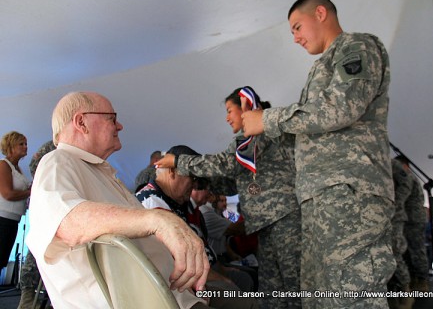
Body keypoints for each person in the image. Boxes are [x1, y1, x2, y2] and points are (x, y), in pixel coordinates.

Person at [241, 0, 395, 308]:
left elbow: (341, 107)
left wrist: (268, 118)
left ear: (320, 13)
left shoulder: (356, 47)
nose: (295, 38)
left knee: (353, 297)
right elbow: (311, 130)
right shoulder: (320, 68)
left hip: (350, 198)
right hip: (320, 201)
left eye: (298, 27)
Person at [26, 91, 209, 309]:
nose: (120, 126)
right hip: (146, 303)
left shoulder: (98, 172)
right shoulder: (57, 162)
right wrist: (159, 220)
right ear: (81, 122)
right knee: (246, 297)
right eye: (111, 118)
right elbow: (67, 222)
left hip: (174, 296)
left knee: (241, 296)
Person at [156, 87, 301, 309]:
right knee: (272, 288)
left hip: (284, 220)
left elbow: (227, 164)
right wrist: (200, 181)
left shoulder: (259, 133)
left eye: (229, 110)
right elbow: (233, 182)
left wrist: (180, 162)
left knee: (294, 285)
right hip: (266, 225)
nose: (226, 118)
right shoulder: (247, 142)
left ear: (245, 107)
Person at [136, 145, 257, 308]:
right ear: (172, 172)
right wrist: (222, 279)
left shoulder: (173, 202)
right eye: (192, 178)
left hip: (188, 282)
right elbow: (180, 261)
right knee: (242, 299)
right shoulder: (152, 202)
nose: (194, 185)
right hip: (174, 288)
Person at [18, 140, 56, 309]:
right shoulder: (53, 145)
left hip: (60, 205)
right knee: (37, 248)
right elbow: (35, 166)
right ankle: (28, 296)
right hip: (47, 202)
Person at [394, 155, 429, 292]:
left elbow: (403, 195)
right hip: (409, 217)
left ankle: (422, 280)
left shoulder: (409, 178)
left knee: (416, 249)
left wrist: (395, 205)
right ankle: (413, 279)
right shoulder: (408, 178)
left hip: (414, 218)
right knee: (407, 250)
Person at [0, 131, 30, 277]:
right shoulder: (3, 165)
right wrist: (31, 191)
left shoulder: (18, 169)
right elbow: (8, 194)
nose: (25, 147)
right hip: (2, 220)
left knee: (2, 260)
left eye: (26, 144)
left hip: (12, 220)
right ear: (11, 146)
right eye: (21, 144)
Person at [388, 158, 415, 309]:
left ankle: (406, 292)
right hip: (375, 215)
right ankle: (391, 295)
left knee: (394, 252)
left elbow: (407, 181)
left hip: (394, 216)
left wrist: (395, 203)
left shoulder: (391, 162)